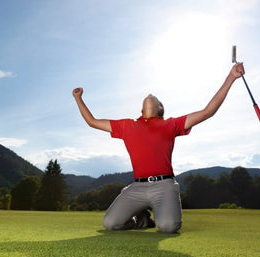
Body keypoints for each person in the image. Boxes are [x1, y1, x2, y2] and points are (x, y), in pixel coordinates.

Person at [72, 62, 245, 233]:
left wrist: (231, 77)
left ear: (160, 108)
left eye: (154, 97)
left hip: (164, 185)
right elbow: (92, 122)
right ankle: (142, 220)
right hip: (137, 187)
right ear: (141, 109)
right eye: (147, 97)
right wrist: (78, 98)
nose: (149, 94)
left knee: (168, 227)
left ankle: (153, 215)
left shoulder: (171, 124)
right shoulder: (126, 126)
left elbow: (208, 111)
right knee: (110, 224)